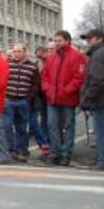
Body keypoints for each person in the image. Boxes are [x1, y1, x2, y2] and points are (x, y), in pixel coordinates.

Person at [41, 30, 86, 166]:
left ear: (67, 41)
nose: (57, 43)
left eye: (59, 40)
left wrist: (66, 90)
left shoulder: (77, 56)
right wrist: (48, 89)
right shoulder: (52, 57)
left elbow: (79, 78)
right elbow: (45, 76)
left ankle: (66, 154)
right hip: (52, 98)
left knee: (68, 126)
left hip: (68, 98)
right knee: (52, 126)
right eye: (55, 40)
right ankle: (55, 152)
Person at [80, 29, 104, 170]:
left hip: (100, 100)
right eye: (87, 38)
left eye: (91, 38)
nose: (88, 41)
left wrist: (87, 99)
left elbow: (97, 80)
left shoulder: (98, 55)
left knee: (102, 132)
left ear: (100, 39)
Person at [3, 44, 40, 162]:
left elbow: (36, 85)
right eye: (14, 51)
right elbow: (2, 81)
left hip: (23, 101)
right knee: (6, 125)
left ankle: (21, 151)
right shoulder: (7, 65)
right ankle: (10, 150)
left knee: (22, 128)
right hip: (8, 100)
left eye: (18, 51)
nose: (16, 54)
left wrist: (28, 98)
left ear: (25, 52)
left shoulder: (32, 67)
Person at [29, 46, 51, 159]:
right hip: (39, 96)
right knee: (42, 121)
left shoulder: (50, 62)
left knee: (50, 121)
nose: (40, 58)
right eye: (38, 56)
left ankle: (49, 144)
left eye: (42, 55)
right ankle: (45, 143)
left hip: (50, 95)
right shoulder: (36, 64)